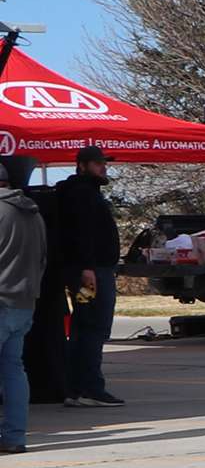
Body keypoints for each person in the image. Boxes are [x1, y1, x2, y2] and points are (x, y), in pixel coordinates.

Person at [53, 144, 124, 408]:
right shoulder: (82, 194)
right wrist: (87, 268)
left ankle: (75, 387)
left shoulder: (83, 192)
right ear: (82, 165)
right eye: (97, 163)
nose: (103, 167)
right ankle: (91, 387)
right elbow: (80, 234)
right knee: (94, 326)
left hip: (90, 270)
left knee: (84, 325)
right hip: (92, 273)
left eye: (103, 162)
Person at [0, 153, 44, 454]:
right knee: (14, 371)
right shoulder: (34, 212)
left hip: (2, 299)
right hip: (24, 301)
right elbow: (43, 259)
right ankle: (15, 436)